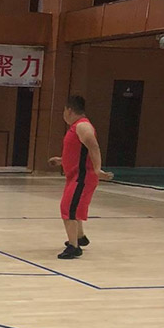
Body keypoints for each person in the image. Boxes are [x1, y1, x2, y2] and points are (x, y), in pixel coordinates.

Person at [49, 95, 113, 260]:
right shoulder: (77, 127)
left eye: (64, 110)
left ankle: (74, 247)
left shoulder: (83, 126)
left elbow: (94, 147)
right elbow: (79, 153)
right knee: (74, 207)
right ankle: (80, 237)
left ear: (69, 110)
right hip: (75, 176)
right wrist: (62, 160)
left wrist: (98, 169)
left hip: (82, 177)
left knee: (68, 208)